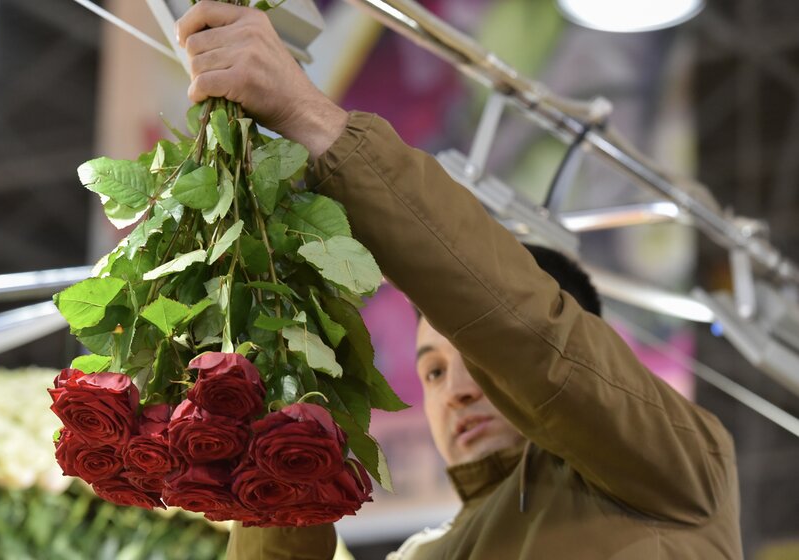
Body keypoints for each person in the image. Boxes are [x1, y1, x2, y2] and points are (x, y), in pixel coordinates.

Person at [175, 3, 743, 558]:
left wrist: (312, 120)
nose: (457, 393)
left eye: (476, 360)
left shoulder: (676, 459)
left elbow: (525, 332)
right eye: (433, 372)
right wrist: (285, 414)